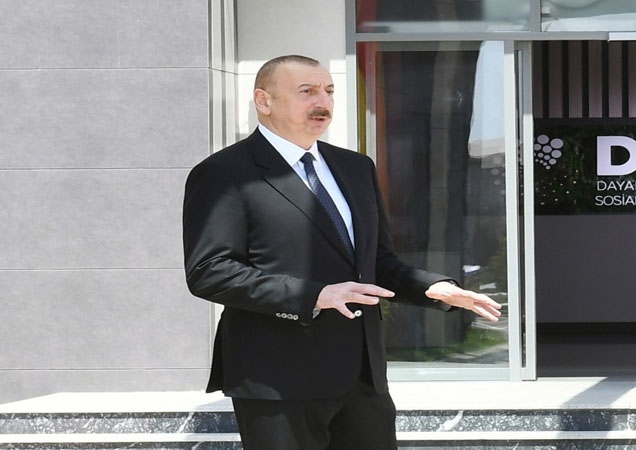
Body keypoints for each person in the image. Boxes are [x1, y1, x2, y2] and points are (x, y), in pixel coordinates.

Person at [182, 54, 502, 450]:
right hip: (278, 378)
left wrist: (432, 288)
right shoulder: (223, 173)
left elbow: (376, 263)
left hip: (362, 378)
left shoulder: (355, 168)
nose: (323, 102)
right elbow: (211, 271)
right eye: (307, 91)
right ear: (264, 100)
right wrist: (315, 295)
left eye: (329, 91)